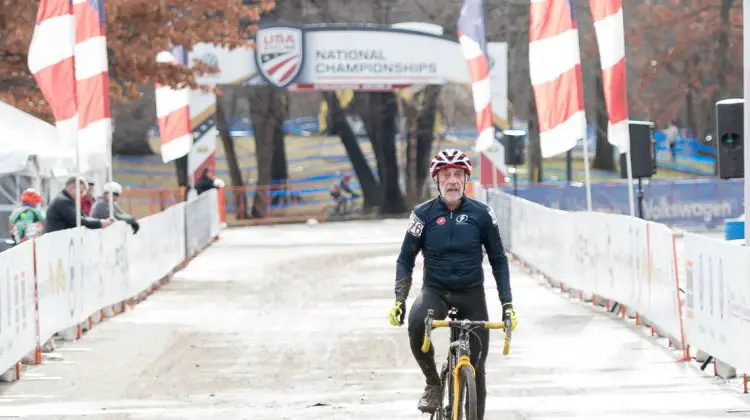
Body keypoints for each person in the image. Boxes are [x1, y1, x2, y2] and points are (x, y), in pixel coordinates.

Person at [387, 148, 518, 418]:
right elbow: (405, 259)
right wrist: (400, 298)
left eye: (458, 174)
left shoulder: (482, 214)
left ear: (466, 179)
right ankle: (433, 383)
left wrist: (507, 304)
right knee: (415, 323)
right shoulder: (422, 214)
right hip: (436, 291)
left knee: (478, 367)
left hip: (471, 293)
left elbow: (499, 260)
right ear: (437, 180)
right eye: (446, 175)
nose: (452, 180)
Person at [45, 176, 114, 233]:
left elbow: (83, 218)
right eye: (80, 192)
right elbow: (78, 221)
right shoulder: (63, 201)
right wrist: (100, 223)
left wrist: (101, 221)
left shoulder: (67, 200)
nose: (81, 195)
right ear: (72, 188)